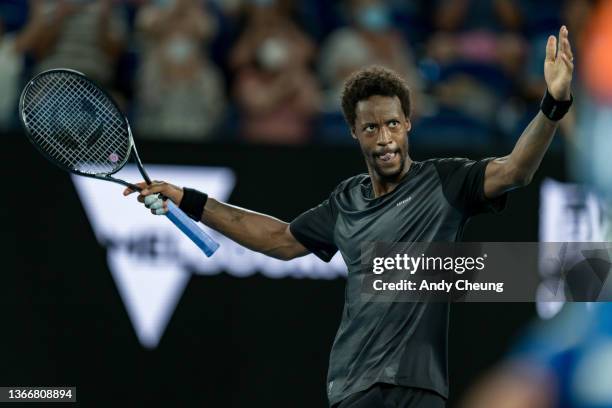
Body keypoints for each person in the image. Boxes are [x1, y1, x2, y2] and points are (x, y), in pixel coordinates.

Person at [123, 26, 575, 408]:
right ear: (355, 133)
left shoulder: (446, 181)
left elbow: (515, 169)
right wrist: (188, 198)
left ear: (409, 124)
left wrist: (552, 106)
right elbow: (278, 239)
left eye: (394, 124)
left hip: (418, 390)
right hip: (353, 389)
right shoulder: (345, 202)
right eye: (372, 127)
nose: (385, 138)